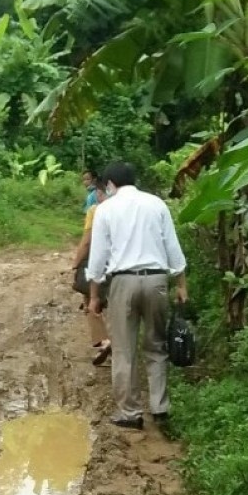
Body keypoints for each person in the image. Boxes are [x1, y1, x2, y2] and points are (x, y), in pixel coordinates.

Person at [85, 161, 188, 430]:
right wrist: (181, 284)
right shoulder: (157, 204)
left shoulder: (105, 210)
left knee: (123, 349)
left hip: (123, 282)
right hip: (156, 280)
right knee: (156, 344)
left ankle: (130, 413)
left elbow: (97, 259)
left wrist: (94, 296)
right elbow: (172, 246)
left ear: (109, 184)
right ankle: (160, 407)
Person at [71, 183, 111, 365]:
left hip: (98, 261)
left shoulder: (95, 211)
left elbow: (86, 241)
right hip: (122, 263)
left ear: (101, 193)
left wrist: (75, 263)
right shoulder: (126, 209)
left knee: (90, 299)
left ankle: (105, 340)